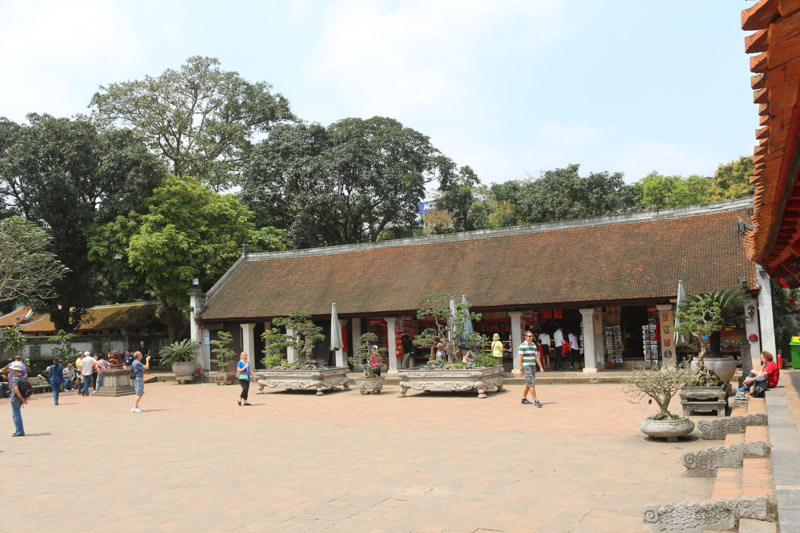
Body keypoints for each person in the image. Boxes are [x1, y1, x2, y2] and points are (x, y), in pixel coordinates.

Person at [519, 331, 543, 407]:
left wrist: (541, 366)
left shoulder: (534, 345)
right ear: (525, 337)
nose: (531, 337)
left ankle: (524, 398)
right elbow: (520, 358)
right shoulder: (522, 346)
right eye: (529, 336)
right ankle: (536, 400)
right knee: (531, 383)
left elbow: (536, 356)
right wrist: (521, 369)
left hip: (533, 366)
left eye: (532, 336)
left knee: (528, 383)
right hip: (526, 366)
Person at [9, 361, 27, 436]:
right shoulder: (23, 377)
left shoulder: (15, 378)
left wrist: (22, 399)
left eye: (12, 369)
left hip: (15, 399)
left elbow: (16, 390)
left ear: (16, 370)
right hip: (20, 398)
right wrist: (23, 398)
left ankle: (20, 431)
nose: (11, 370)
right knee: (15, 414)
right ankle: (18, 430)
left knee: (16, 414)